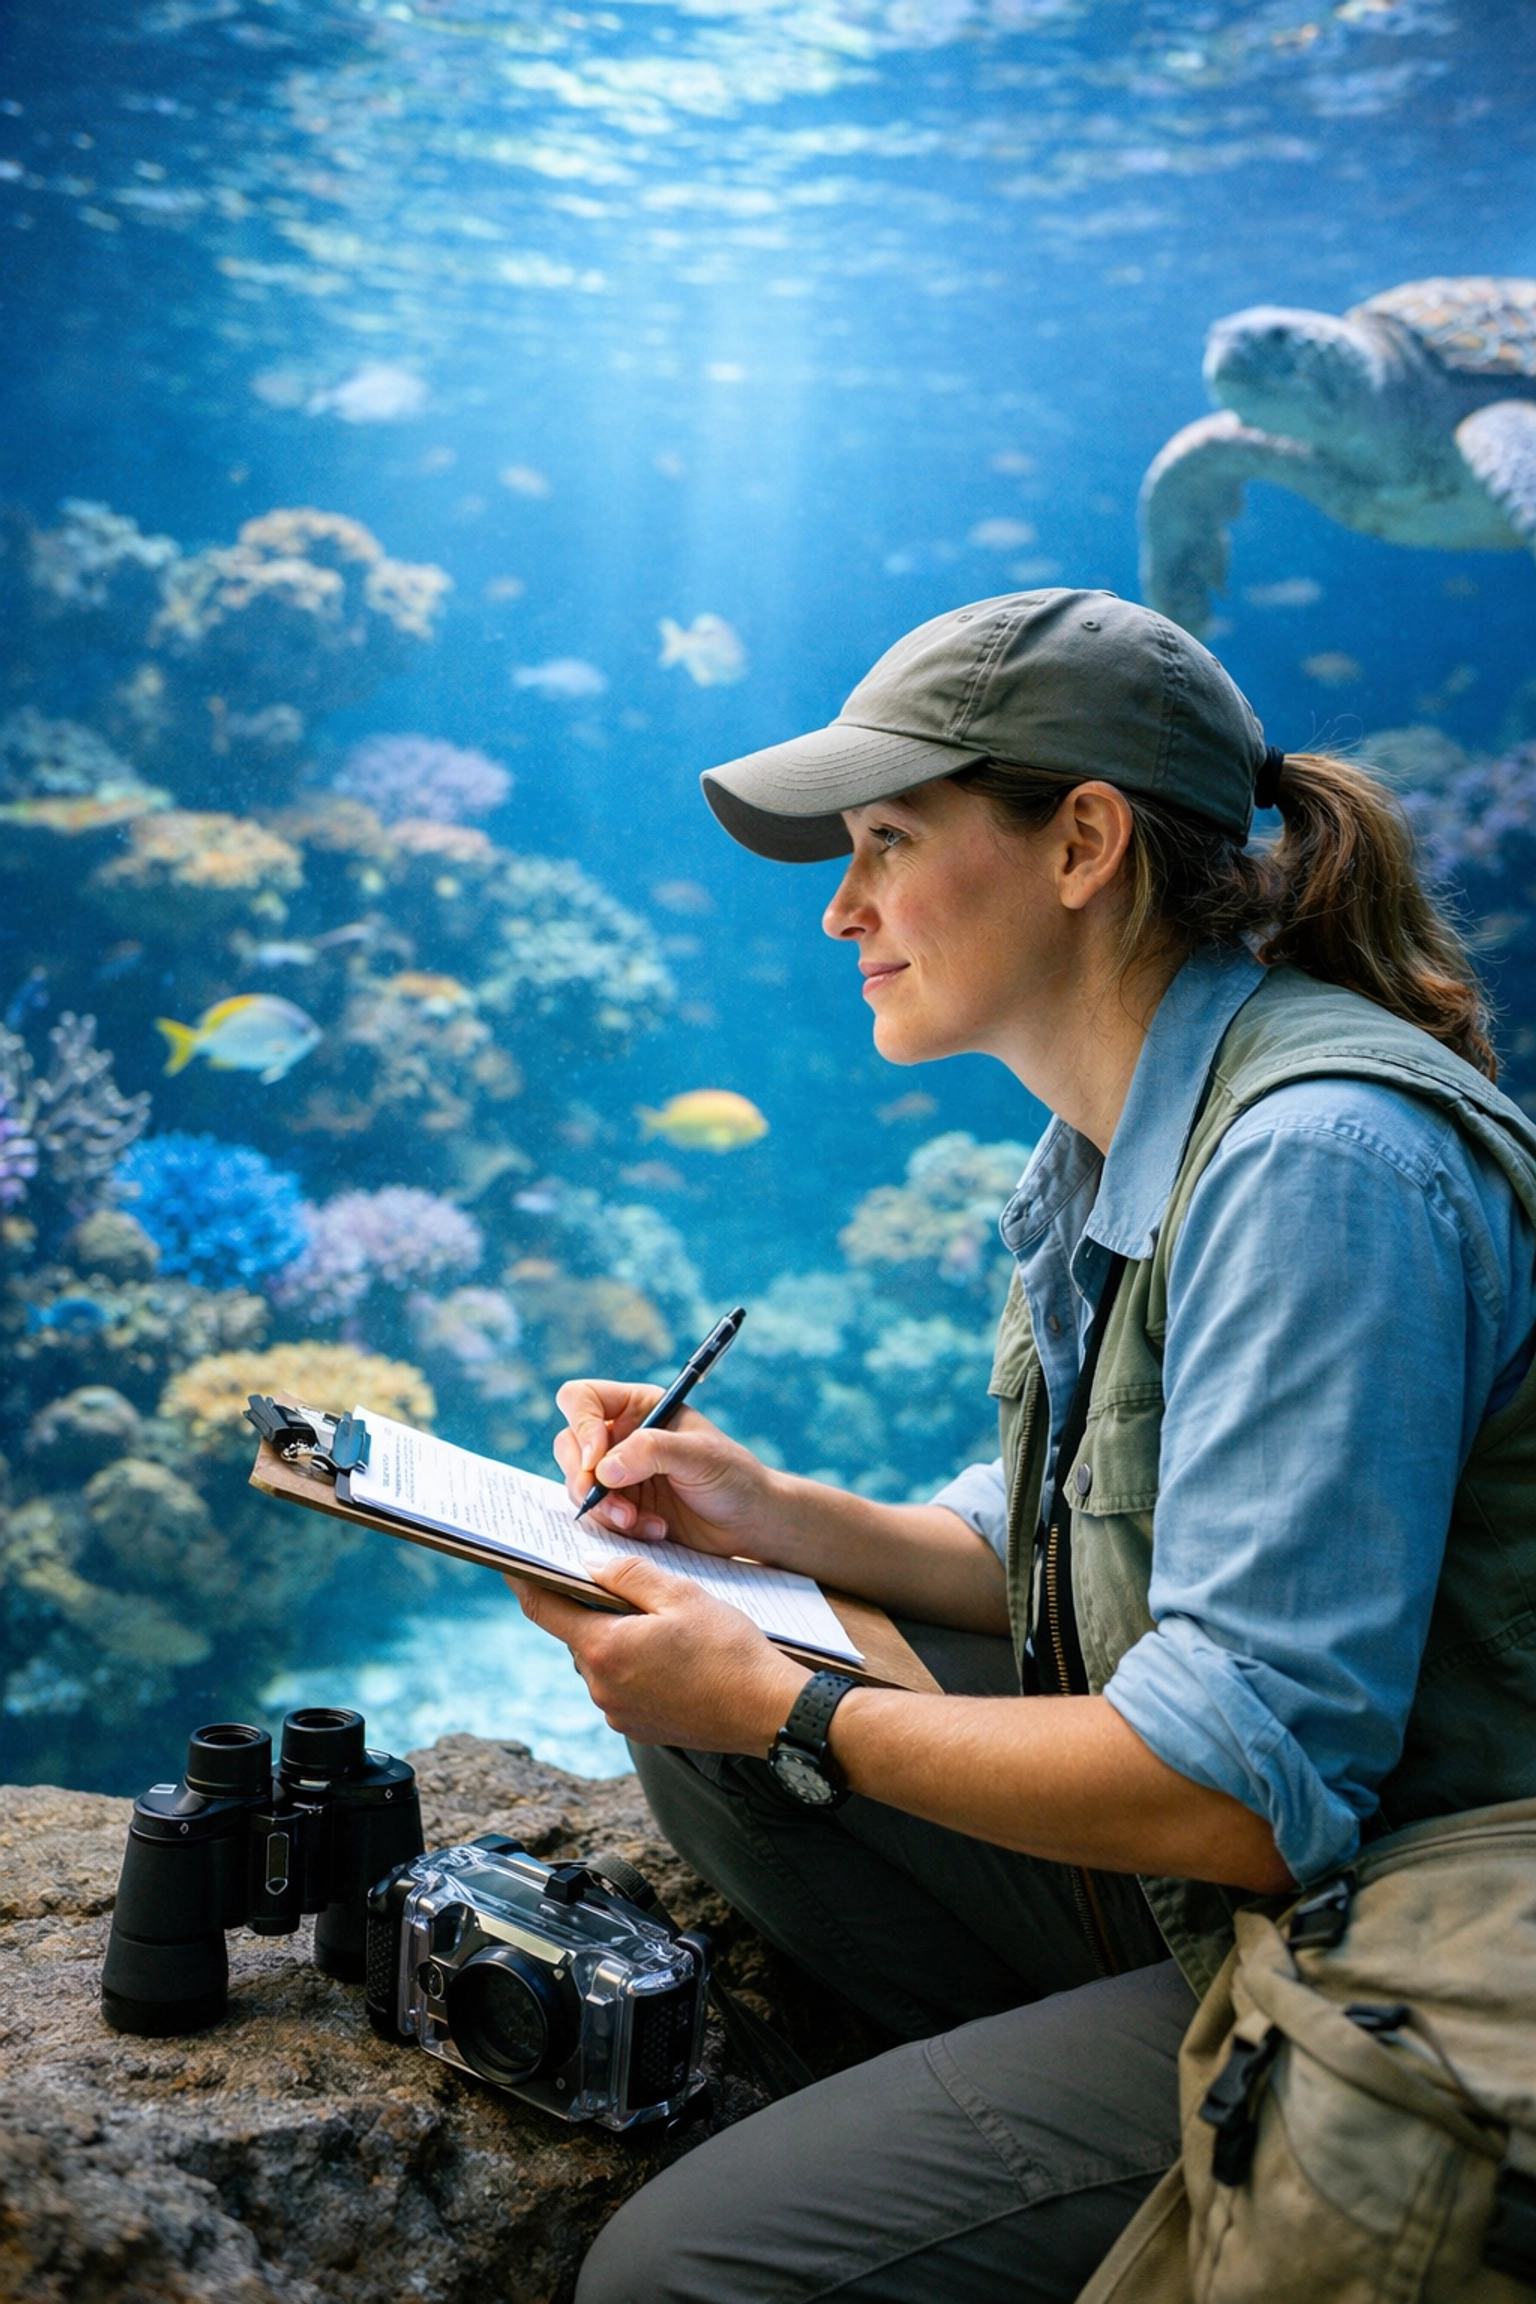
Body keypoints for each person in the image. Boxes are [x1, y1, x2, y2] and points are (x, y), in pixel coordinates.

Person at [508, 589, 1536, 2304]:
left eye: (891, 840)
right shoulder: (1112, 1139)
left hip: (1395, 1941)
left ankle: (1166, 2141)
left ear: (1083, 841)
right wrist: (777, 1518)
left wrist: (791, 1698)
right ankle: (1058, 2130)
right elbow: (1091, 1544)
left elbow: (1242, 1784)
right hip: (1263, 1876)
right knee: (706, 1717)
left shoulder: (1316, 1165)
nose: (843, 906)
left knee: (674, 2274)